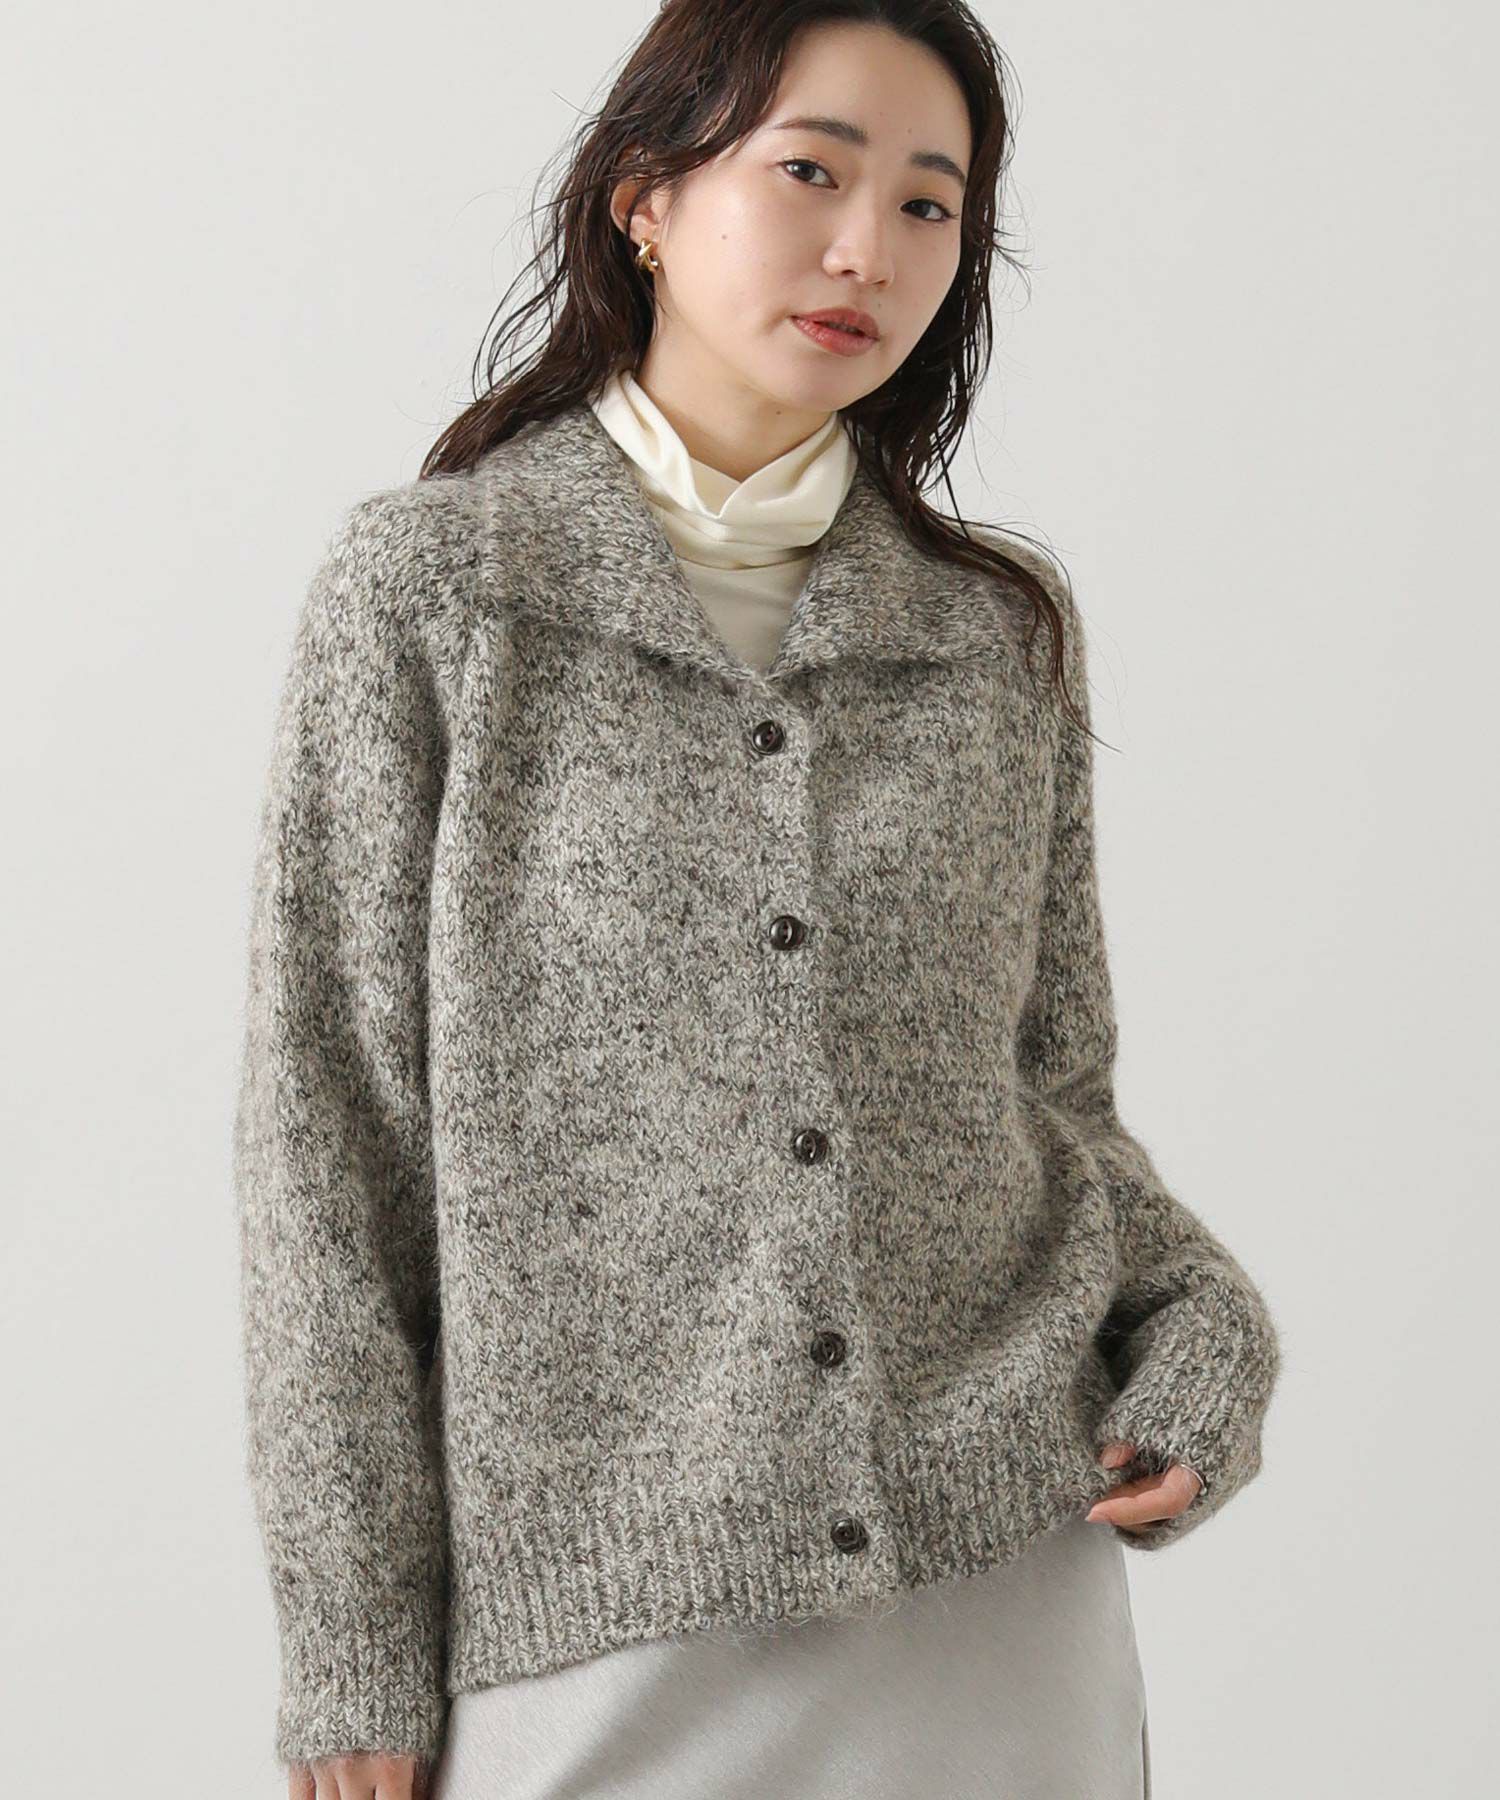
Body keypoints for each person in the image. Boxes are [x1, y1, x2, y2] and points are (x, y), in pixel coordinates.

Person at [232, 4, 1282, 1797]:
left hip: (997, 1599)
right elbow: (332, 1159)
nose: (870, 249)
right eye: (812, 172)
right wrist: (352, 1655)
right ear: (646, 196)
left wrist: (1205, 1322)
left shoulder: (992, 631)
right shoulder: (438, 594)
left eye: (931, 204)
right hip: (595, 1627)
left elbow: (1051, 1098)